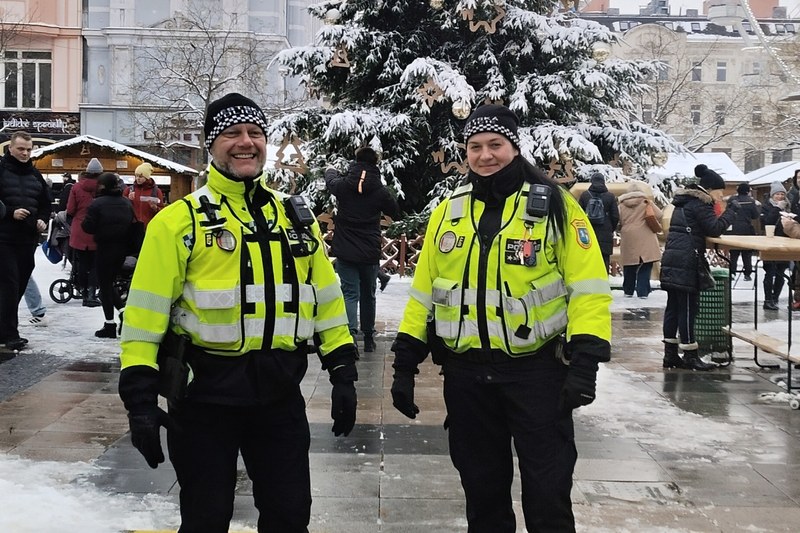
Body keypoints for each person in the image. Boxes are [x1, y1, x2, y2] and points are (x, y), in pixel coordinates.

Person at [118, 92, 358, 533]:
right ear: (212, 145)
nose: (245, 142)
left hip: (280, 399)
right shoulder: (179, 222)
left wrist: (342, 369)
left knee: (289, 517)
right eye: (232, 133)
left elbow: (325, 298)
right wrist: (139, 401)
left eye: (255, 133)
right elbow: (145, 315)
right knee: (206, 519)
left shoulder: (295, 217)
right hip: (204, 402)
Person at [390, 104, 612, 532]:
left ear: (514, 147)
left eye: (496, 144)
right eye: (475, 146)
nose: (485, 155)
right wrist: (405, 364)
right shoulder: (448, 212)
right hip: (467, 379)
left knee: (547, 498)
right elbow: (423, 294)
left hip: (537, 376)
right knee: (483, 496)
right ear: (465, 152)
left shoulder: (555, 208)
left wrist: (585, 364)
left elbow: (587, 289)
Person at [660, 164, 737, 370]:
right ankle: (690, 355)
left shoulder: (683, 202)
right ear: (710, 189)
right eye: (720, 192)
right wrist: (730, 213)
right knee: (687, 307)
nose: (720, 197)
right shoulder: (701, 203)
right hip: (687, 261)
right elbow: (714, 228)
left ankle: (670, 355)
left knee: (674, 307)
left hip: (673, 258)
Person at [324, 146, 400, 353]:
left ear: (356, 161)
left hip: (345, 250)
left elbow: (330, 180)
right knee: (369, 294)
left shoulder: (342, 185)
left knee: (350, 294)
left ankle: (350, 337)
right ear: (376, 163)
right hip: (369, 251)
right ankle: (368, 338)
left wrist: (330, 170)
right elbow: (394, 210)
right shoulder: (380, 191)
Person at [0, 131, 52, 352]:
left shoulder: (35, 175)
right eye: (21, 148)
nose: (25, 153)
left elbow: (45, 204)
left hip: (27, 239)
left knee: (19, 284)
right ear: (10, 148)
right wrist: (10, 212)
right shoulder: (1, 170)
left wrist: (41, 219)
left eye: (29, 149)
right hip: (3, 238)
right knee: (9, 285)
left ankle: (5, 329)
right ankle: (9, 334)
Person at [82, 172, 137, 338]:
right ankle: (122, 312)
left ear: (102, 186)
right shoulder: (126, 203)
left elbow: (88, 227)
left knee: (104, 286)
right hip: (122, 249)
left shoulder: (97, 204)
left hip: (104, 248)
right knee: (110, 283)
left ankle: (110, 324)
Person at [67, 158, 103, 307]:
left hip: (80, 230)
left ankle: (82, 291)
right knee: (95, 264)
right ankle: (91, 294)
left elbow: (70, 210)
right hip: (98, 230)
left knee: (81, 262)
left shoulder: (76, 187)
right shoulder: (103, 187)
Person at [617, 181, 662, 298]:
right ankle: (642, 292)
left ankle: (628, 291)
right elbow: (659, 215)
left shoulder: (621, 205)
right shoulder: (646, 202)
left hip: (628, 237)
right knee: (646, 264)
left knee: (629, 265)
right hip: (645, 236)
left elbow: (617, 220)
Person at [578, 172, 619, 272]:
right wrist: (610, 228)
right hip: (605, 234)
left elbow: (579, 215)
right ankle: (603, 283)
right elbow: (615, 216)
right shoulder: (610, 196)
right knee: (604, 261)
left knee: (589, 261)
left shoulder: (585, 195)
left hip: (588, 234)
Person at [760, 180, 790, 310]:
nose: (780, 197)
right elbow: (766, 222)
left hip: (785, 243)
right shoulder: (766, 207)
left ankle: (775, 298)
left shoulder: (788, 206)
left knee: (781, 273)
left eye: (782, 194)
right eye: (777, 194)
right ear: (772, 195)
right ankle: (767, 300)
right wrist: (777, 208)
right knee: (769, 272)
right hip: (770, 243)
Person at [726, 182, 760, 281]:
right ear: (748, 191)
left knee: (734, 253)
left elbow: (728, 212)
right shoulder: (751, 201)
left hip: (733, 229)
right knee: (747, 253)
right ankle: (747, 273)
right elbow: (755, 216)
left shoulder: (732, 200)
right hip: (746, 229)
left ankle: (732, 272)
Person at [124, 162, 164, 228]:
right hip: (133, 226)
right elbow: (122, 207)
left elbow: (162, 211)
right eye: (136, 176)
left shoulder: (156, 191)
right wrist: (128, 200)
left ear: (147, 177)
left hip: (150, 226)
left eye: (140, 176)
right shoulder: (129, 190)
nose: (137, 179)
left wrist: (155, 208)